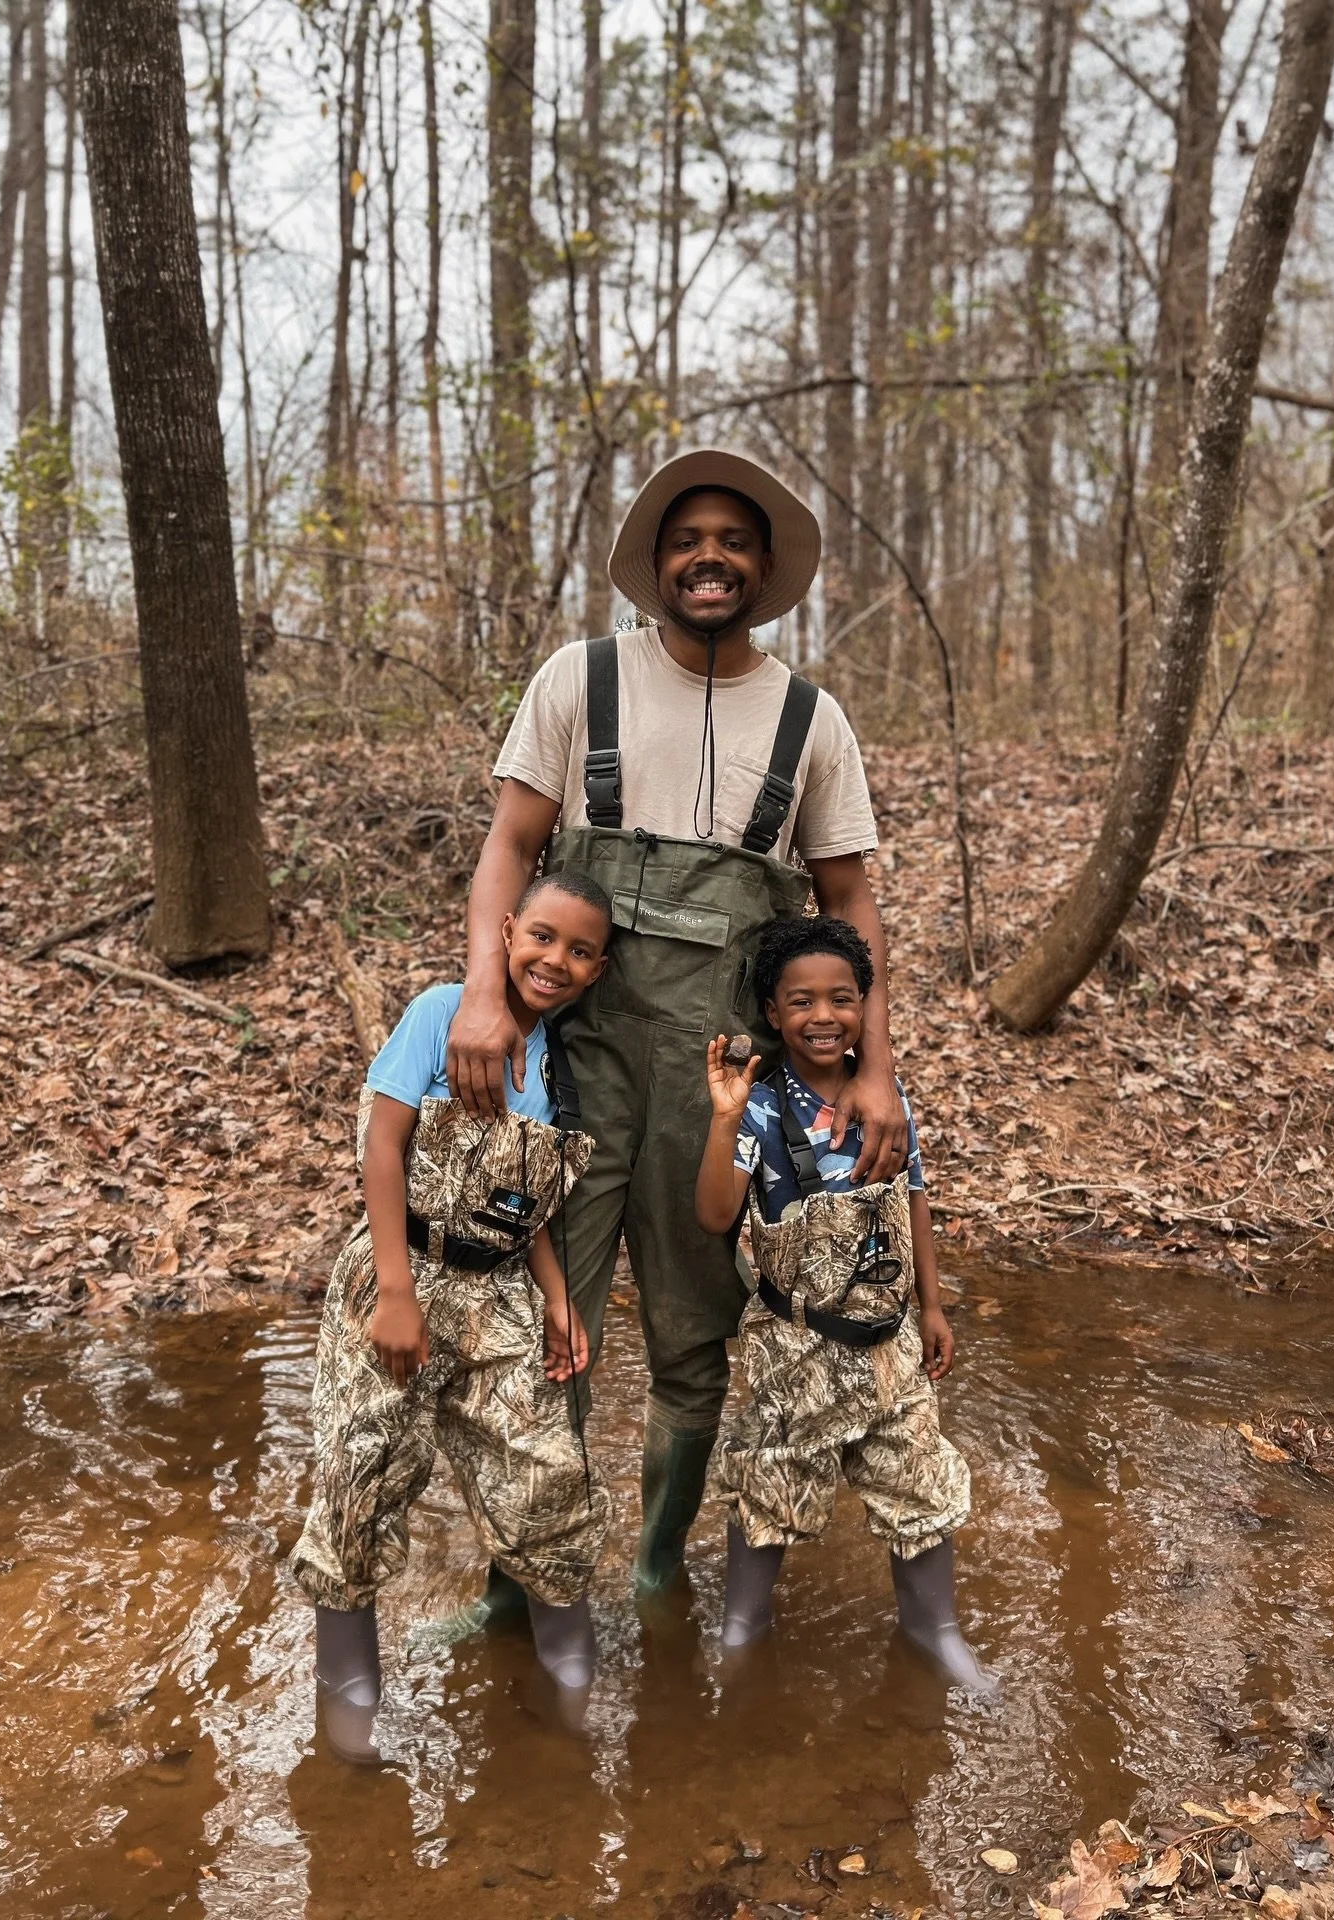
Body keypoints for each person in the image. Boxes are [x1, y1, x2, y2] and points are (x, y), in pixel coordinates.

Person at [446, 448, 911, 1593]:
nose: (711, 557)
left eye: (734, 540)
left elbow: (848, 906)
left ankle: (657, 1577)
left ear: (764, 567)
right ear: (656, 563)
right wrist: (480, 993)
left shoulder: (813, 721)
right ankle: (523, 1586)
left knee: (693, 1336)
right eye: (688, 538)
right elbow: (510, 844)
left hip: (723, 1083)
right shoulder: (579, 679)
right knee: (535, 1319)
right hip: (574, 1066)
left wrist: (875, 1072)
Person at [290, 872, 615, 1762]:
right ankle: (350, 1697)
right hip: (403, 1274)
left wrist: (555, 1297)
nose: (557, 960)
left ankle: (570, 1684)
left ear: (596, 970)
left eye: (581, 950)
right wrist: (395, 1292)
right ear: (507, 930)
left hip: (502, 1288)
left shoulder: (555, 1057)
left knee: (548, 1476)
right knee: (363, 1480)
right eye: (543, 936)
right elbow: (382, 1145)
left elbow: (526, 1201)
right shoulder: (441, 1011)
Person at [695, 915, 991, 1692]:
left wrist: (933, 1305)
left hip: (888, 1339)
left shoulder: (884, 1098)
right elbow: (716, 1214)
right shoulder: (760, 1107)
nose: (823, 1017)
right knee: (771, 1484)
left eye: (841, 999)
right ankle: (741, 1632)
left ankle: (937, 1632)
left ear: (865, 1006)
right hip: (795, 1345)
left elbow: (913, 1200)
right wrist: (725, 1120)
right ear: (771, 1012)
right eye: (801, 1002)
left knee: (918, 1482)